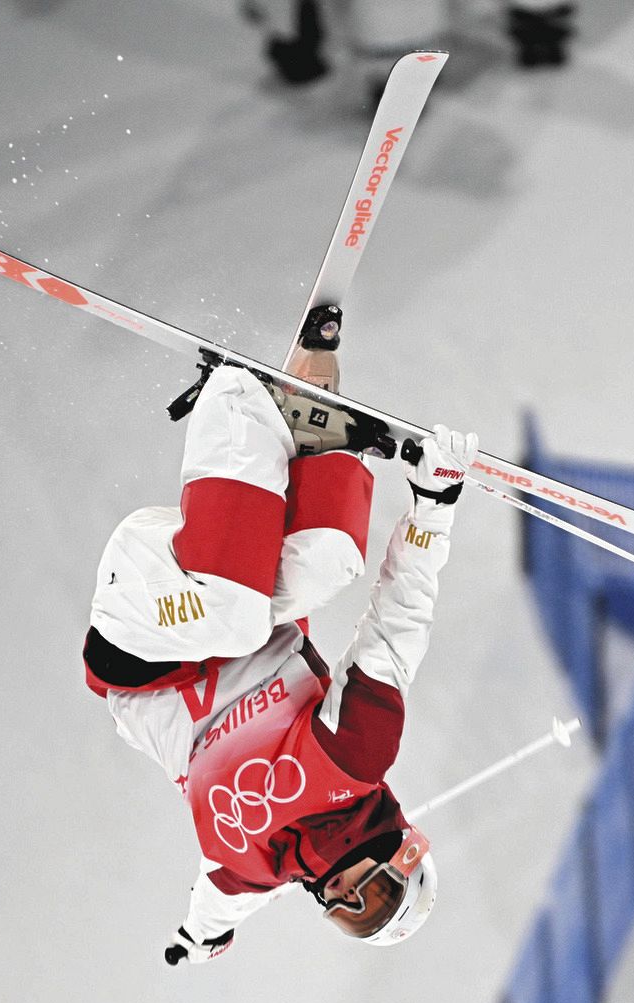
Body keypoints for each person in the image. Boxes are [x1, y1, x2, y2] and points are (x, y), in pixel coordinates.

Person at [83, 344, 479, 965]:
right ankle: (312, 423)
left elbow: (218, 903)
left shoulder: (255, 870)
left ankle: (236, 400)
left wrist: (201, 937)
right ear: (401, 854)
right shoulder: (355, 755)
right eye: (373, 895)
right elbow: (399, 622)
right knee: (328, 565)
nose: (343, 899)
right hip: (212, 590)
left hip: (138, 645)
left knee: (235, 619)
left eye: (348, 919)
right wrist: (434, 510)